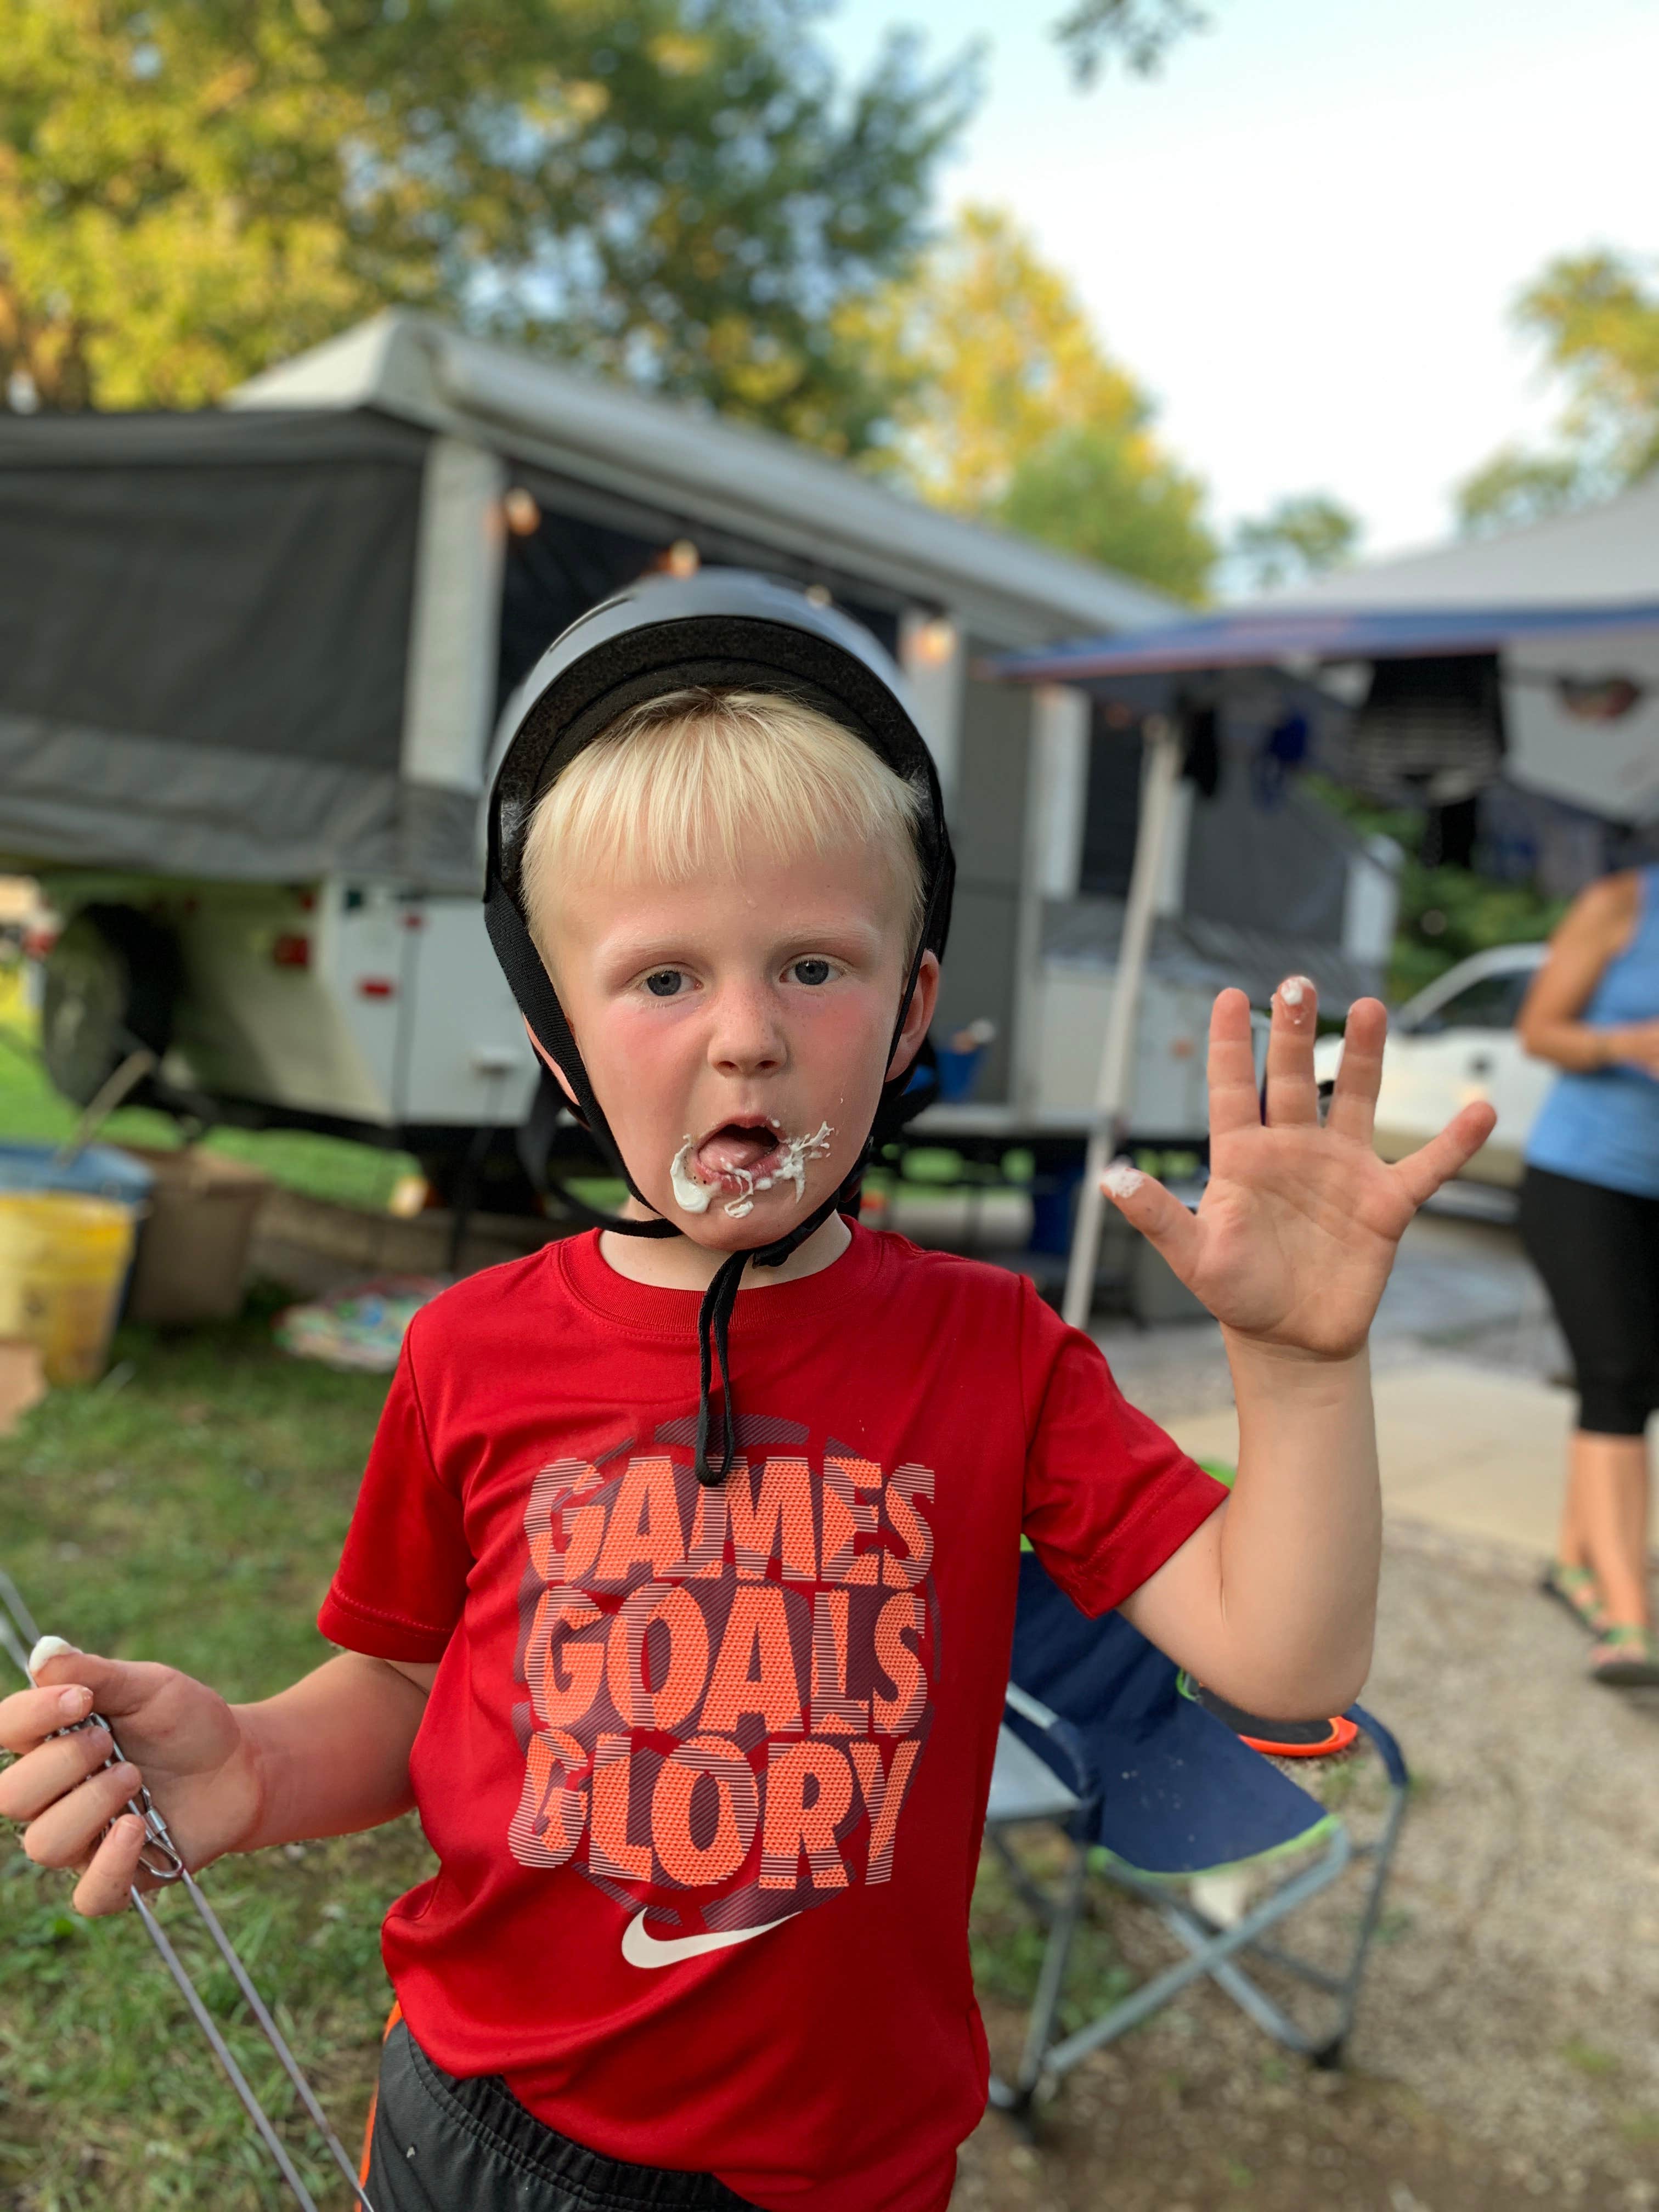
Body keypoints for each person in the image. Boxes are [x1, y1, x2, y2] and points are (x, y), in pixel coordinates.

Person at [0, 575, 1492, 2212]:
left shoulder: (994, 1350)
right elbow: (415, 1687)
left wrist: (1301, 1372)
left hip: (841, 2172)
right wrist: (253, 1765)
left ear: (911, 1011)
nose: (745, 1039)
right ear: (558, 1043)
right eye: (662, 981)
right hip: (485, 2134)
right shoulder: (469, 1351)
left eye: (812, 966)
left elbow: (1285, 1656)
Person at [1519, 861, 1659, 1688]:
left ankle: (1575, 1563)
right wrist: (1628, 1043)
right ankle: (1629, 1618)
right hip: (1581, 1179)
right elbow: (1539, 1030)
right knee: (1615, 1374)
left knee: (1636, 1385)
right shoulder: (1623, 903)